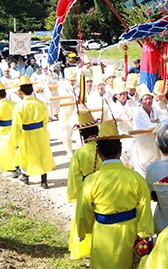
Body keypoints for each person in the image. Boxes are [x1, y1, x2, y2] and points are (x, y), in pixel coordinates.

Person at [75, 120, 153, 269]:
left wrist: (82, 229)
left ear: (98, 152)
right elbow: (144, 209)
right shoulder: (136, 178)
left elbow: (83, 211)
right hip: (129, 233)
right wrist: (144, 233)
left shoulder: (91, 181)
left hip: (102, 232)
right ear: (120, 149)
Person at [66, 110, 101, 260]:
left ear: (81, 135)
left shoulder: (79, 154)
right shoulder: (104, 148)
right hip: (103, 186)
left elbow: (74, 177)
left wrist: (74, 195)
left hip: (86, 188)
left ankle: (84, 247)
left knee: (84, 218)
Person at [11, 76, 55, 189]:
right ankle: (44, 180)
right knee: (42, 154)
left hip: (26, 133)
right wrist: (44, 130)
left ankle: (25, 176)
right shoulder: (40, 103)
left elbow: (16, 125)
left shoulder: (19, 106)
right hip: (40, 132)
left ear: (20, 91)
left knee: (25, 155)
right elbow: (46, 120)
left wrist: (15, 140)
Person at [132, 85, 162, 177]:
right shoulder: (137, 113)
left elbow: (162, 119)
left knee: (155, 170)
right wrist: (157, 125)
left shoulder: (155, 111)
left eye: (150, 99)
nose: (148, 101)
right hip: (142, 145)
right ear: (141, 101)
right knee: (143, 172)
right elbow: (142, 125)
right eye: (145, 99)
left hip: (154, 144)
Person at [109, 77, 137, 166]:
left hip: (132, 134)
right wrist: (125, 117)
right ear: (116, 95)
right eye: (120, 94)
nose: (122, 96)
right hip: (121, 134)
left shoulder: (132, 103)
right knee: (123, 159)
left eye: (124, 93)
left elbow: (137, 111)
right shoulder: (113, 105)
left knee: (134, 158)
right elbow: (115, 116)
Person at [57, 67, 79, 156]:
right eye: (71, 80)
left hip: (75, 111)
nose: (73, 82)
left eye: (74, 80)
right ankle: (68, 150)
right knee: (67, 132)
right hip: (66, 112)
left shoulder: (77, 85)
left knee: (78, 131)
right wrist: (73, 95)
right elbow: (65, 96)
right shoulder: (62, 86)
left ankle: (79, 148)